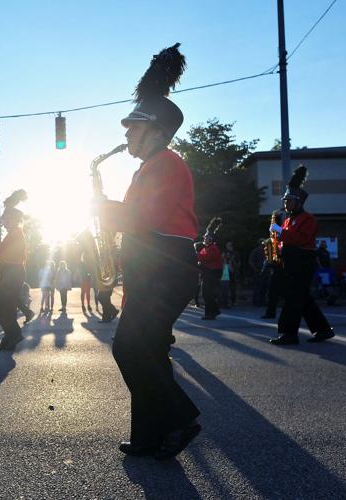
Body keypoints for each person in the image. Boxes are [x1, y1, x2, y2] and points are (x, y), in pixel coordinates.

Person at [95, 44, 201, 460]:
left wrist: (100, 209)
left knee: (129, 348)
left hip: (164, 267)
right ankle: (149, 437)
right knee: (150, 351)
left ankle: (179, 418)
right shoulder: (148, 167)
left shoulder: (167, 164)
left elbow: (144, 217)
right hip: (152, 267)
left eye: (133, 127)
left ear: (156, 130)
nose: (126, 134)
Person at [269, 165, 335, 345]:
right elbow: (285, 241)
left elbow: (300, 239)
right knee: (302, 297)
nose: (285, 203)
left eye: (289, 200)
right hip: (290, 261)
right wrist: (276, 250)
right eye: (285, 200)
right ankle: (323, 330)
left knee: (293, 298)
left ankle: (289, 334)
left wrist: (280, 232)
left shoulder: (309, 219)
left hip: (303, 262)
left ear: (299, 202)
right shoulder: (289, 219)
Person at [0, 190, 28, 351]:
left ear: (13, 219)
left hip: (12, 271)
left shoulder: (15, 233)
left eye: (5, 219)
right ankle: (9, 337)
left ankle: (14, 334)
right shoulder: (14, 233)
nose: (3, 222)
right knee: (6, 305)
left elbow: (4, 252)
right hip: (10, 271)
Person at [197, 218, 223, 320]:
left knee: (208, 293)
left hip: (212, 273)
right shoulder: (207, 248)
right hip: (207, 273)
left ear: (211, 239)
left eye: (206, 236)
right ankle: (214, 311)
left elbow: (204, 258)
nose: (204, 237)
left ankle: (211, 313)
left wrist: (195, 254)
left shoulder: (213, 248)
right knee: (206, 293)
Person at [249, 238, 268, 307]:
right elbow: (251, 261)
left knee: (264, 287)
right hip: (259, 271)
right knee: (258, 287)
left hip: (265, 271)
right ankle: (256, 302)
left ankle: (262, 301)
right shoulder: (256, 251)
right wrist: (255, 269)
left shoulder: (267, 250)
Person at [224, 241, 240, 307]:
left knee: (233, 287)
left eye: (231, 245)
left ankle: (233, 301)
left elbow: (239, 262)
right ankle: (226, 302)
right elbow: (223, 261)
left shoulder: (235, 253)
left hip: (233, 271)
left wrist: (236, 267)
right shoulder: (224, 253)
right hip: (226, 271)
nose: (230, 246)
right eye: (228, 245)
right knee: (225, 287)